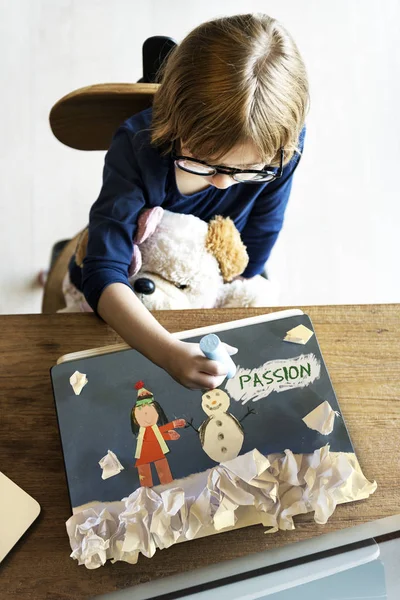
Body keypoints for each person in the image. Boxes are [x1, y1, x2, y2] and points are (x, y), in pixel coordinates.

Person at [67, 13, 309, 390]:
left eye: (247, 170)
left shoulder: (282, 152)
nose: (223, 182)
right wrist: (167, 352)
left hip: (207, 280)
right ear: (173, 119)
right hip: (133, 283)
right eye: (201, 160)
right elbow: (101, 271)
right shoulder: (137, 146)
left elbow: (261, 235)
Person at [131, 381, 186, 487]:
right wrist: (172, 427)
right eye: (140, 410)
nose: (146, 414)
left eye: (149, 409)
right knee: (146, 480)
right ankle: (146, 492)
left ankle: (168, 487)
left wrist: (170, 432)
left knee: (164, 473)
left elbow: (156, 434)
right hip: (145, 455)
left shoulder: (152, 429)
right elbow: (153, 436)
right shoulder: (145, 431)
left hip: (156, 452)